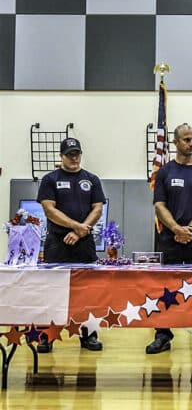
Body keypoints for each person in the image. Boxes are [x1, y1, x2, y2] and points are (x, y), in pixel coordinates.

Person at [146, 123, 192, 355]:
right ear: (175, 142)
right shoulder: (165, 172)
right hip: (169, 240)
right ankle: (162, 335)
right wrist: (176, 229)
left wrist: (190, 229)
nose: (191, 143)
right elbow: (159, 205)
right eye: (186, 139)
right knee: (164, 287)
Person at [36, 137, 106, 353]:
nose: (74, 157)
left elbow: (97, 208)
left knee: (88, 292)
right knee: (51, 291)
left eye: (77, 153)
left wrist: (80, 231)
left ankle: (89, 336)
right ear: (61, 156)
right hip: (58, 243)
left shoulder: (91, 179)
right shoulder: (50, 179)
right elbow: (49, 209)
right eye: (69, 154)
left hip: (84, 244)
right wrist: (77, 226)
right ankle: (45, 336)